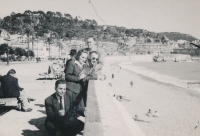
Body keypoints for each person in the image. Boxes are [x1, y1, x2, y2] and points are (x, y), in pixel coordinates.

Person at [65, 50, 88, 116]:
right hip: (71, 90)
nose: (84, 59)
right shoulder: (72, 63)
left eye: (85, 58)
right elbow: (67, 76)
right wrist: (78, 78)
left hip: (78, 91)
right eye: (82, 57)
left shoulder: (82, 65)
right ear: (78, 56)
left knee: (80, 112)